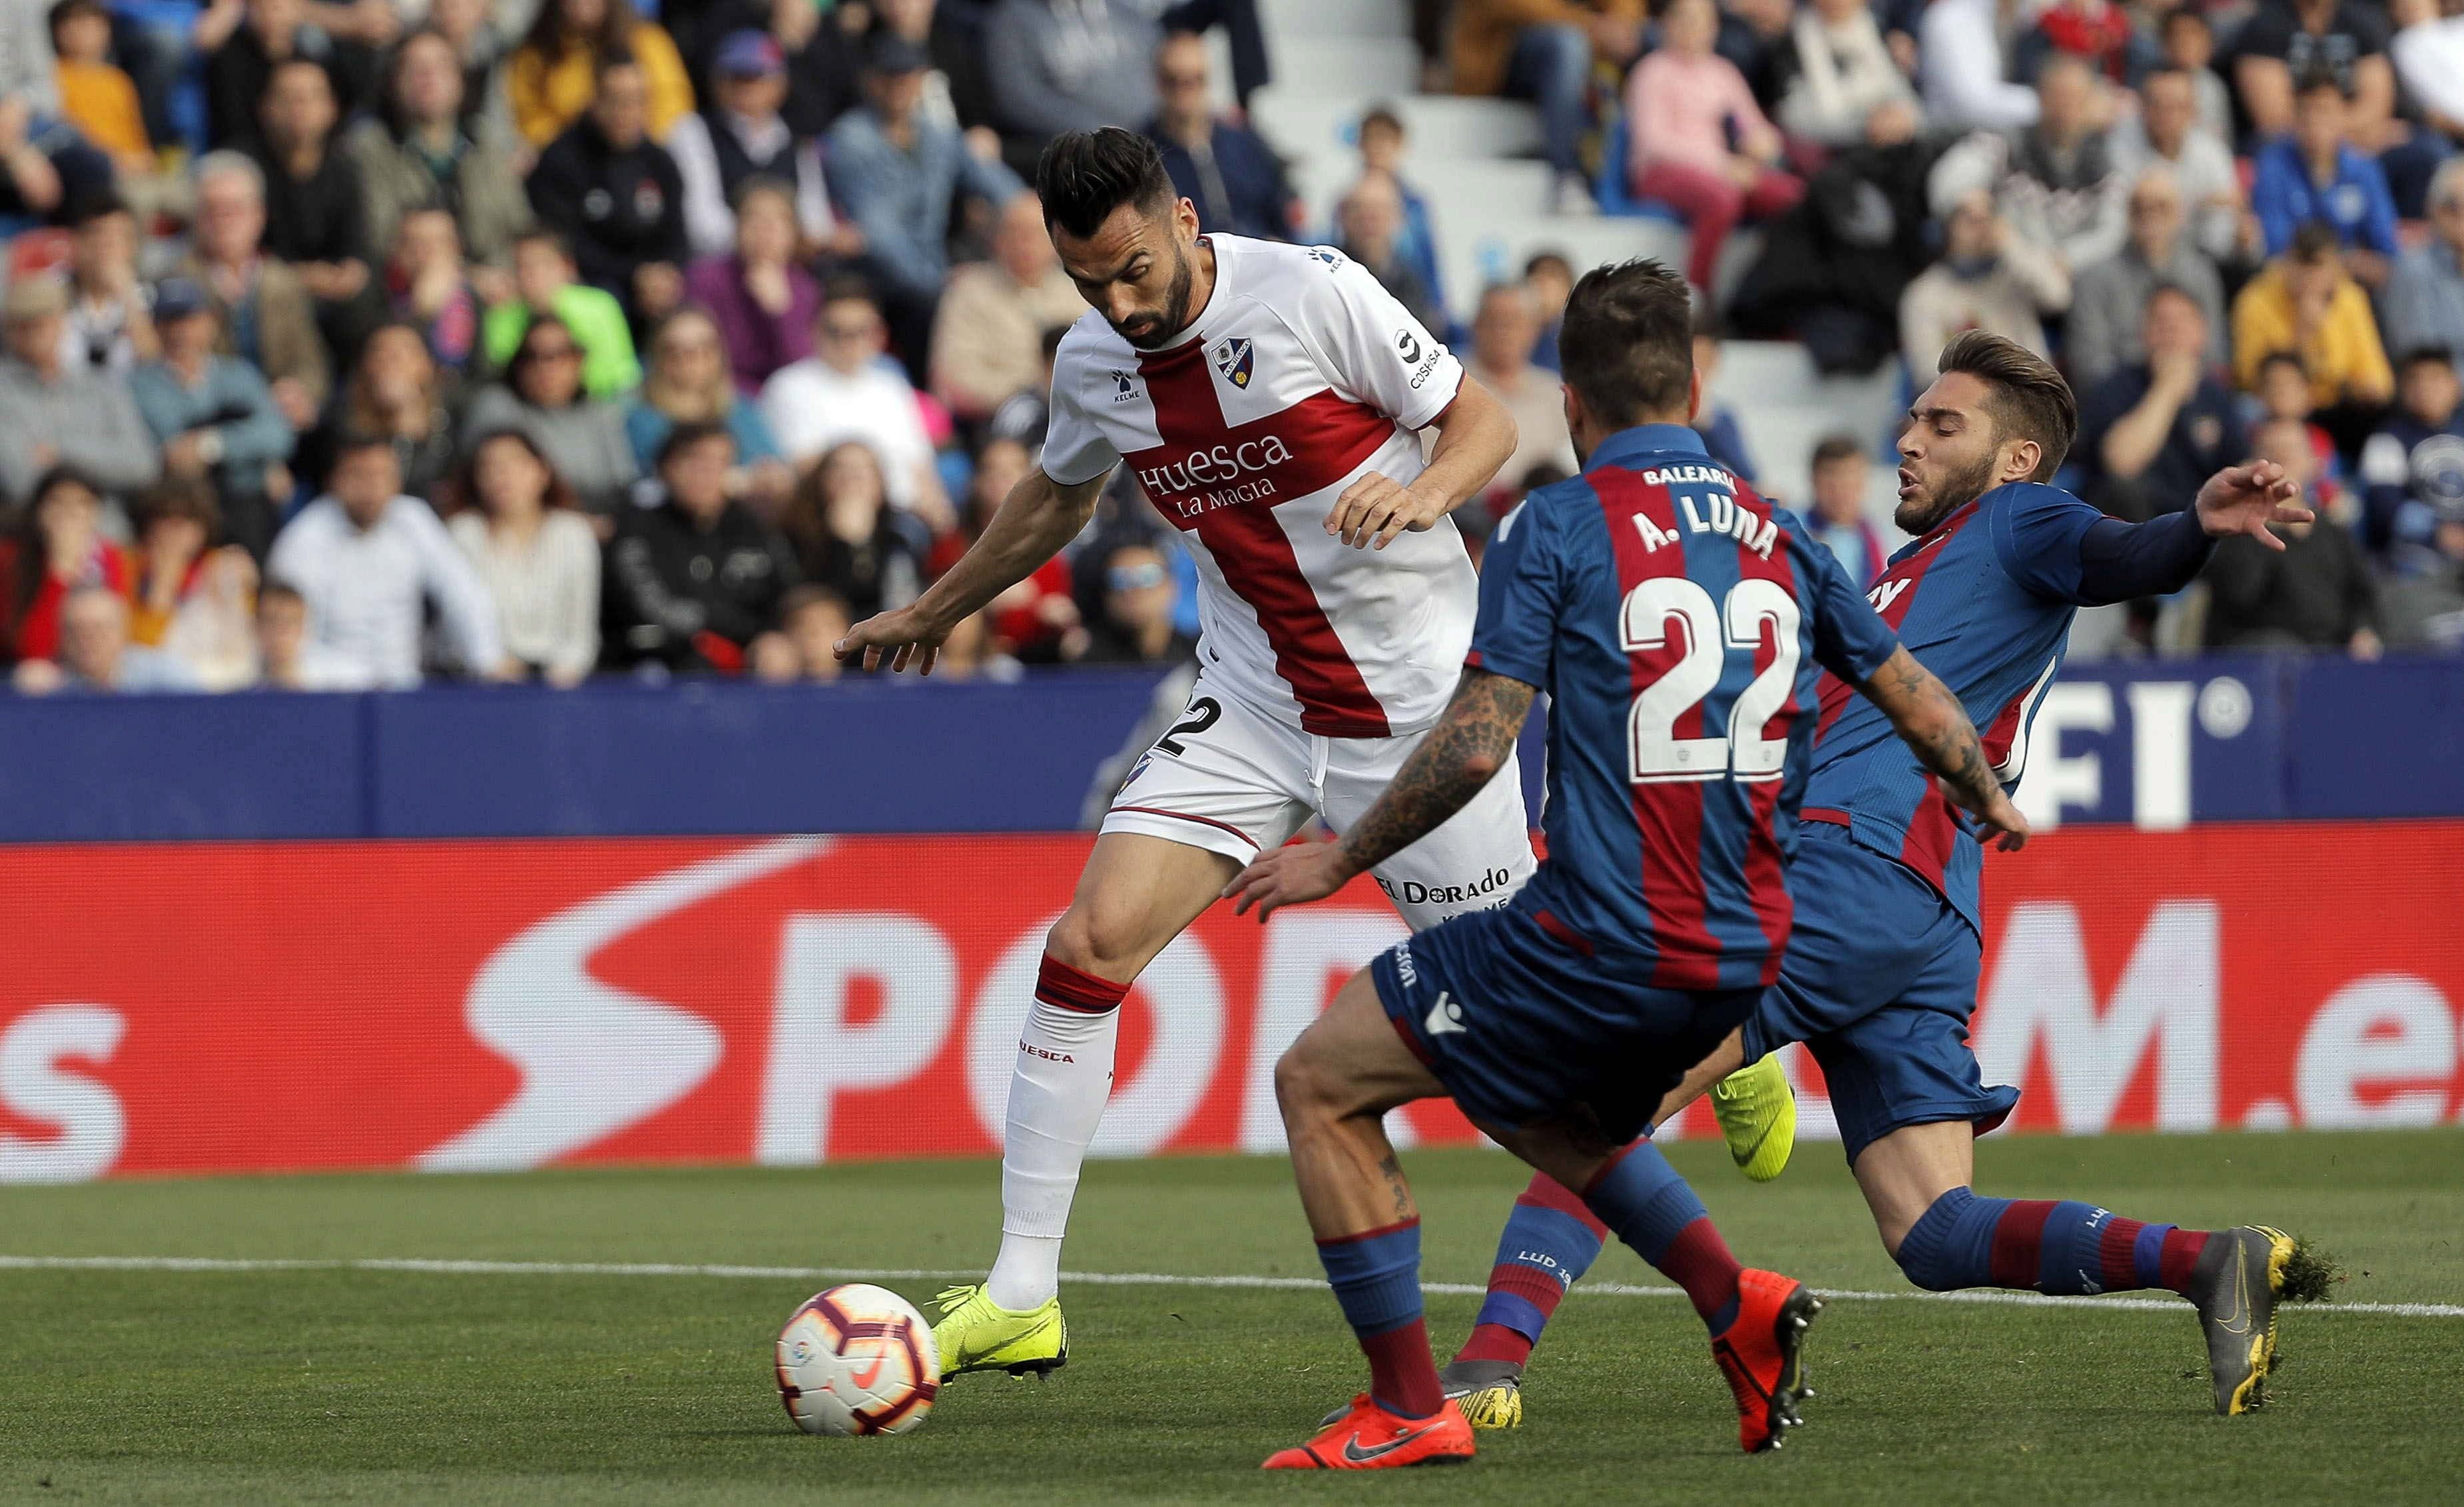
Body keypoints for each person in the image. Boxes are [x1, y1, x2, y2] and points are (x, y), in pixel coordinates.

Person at [1424, 332, 2327, 1432]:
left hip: (1850, 871)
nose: (1907, 439)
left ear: (2013, 458)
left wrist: (2194, 526)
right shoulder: (1908, 571)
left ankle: (1482, 1368)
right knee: (1935, 1231)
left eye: (1942, 426)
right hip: (1925, 909)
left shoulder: (2018, 519)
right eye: (1911, 418)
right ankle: (2208, 1261)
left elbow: (2125, 556)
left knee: (1597, 1100)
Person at [1221, 261, 2025, 1468]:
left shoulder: (1553, 524)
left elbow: (1478, 739)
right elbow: (1919, 699)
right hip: (1748, 953)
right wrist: (1984, 791)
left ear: (1571, 402)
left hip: (1596, 935)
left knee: (1320, 1079)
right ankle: (1735, 1302)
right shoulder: (1781, 531)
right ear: (1698, 385)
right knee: (1534, 1106)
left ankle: (1406, 1405)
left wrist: (1340, 853)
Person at [835, 128, 1528, 1384]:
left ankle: (1730, 1044)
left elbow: (1488, 422)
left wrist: (1429, 497)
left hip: (1419, 713)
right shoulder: (1095, 361)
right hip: (1258, 708)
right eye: (1088, 280)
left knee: (1537, 1057)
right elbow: (1058, 496)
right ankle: (1023, 1290)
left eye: (1134, 270)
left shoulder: (1311, 290)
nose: (1118, 303)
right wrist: (935, 609)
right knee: (1086, 946)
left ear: (1188, 220)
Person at [266, 431, 510, 687]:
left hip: (405, 687)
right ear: (335, 480)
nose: (370, 487)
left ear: (396, 481)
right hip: (329, 689)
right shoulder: (303, 540)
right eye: (359, 475)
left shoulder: (414, 520)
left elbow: (462, 592)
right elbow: (291, 639)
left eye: (381, 475)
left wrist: (489, 659)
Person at [826, 35, 1024, 342]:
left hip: (936, 266)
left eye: (907, 75)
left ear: (921, 79)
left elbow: (991, 180)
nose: (898, 85)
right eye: (888, 75)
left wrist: (1028, 213)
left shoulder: (936, 133)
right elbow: (879, 234)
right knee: (942, 307)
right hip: (880, 277)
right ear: (871, 80)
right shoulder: (851, 139)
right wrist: (940, 283)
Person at [1625, 0, 1801, 294]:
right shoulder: (1651, 72)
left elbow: (1756, 126)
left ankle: (1765, 295)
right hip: (1661, 173)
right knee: (1722, 198)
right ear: (1667, 24)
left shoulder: (1722, 72)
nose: (1694, 29)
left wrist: (1763, 144)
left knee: (1793, 197)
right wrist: (1723, 165)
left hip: (1723, 171)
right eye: (1686, 19)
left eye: (1703, 21)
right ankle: (1696, 294)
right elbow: (1655, 142)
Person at [601, 420, 800, 674]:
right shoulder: (636, 526)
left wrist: (771, 637)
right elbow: (650, 605)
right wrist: (728, 632)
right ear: (665, 468)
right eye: (694, 461)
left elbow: (789, 595)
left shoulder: (753, 528)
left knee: (781, 655)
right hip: (659, 657)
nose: (706, 473)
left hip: (747, 654)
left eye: (720, 463)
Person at [128, 277, 297, 561]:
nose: (180, 332)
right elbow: (169, 450)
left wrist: (211, 444)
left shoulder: (238, 375)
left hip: (242, 500)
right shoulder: (139, 385)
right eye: (170, 322)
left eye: (190, 320)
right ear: (156, 328)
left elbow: (278, 435)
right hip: (179, 507)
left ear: (211, 323)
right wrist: (247, 445)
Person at [759, 279, 949, 523]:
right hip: (830, 514)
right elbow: (805, 468)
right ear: (815, 331)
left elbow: (920, 465)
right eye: (836, 331)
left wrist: (936, 510)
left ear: (878, 335)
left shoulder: (892, 387)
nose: (848, 342)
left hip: (904, 513)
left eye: (860, 331)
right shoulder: (788, 386)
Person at [346, 27, 532, 275]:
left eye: (442, 67)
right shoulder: (366, 150)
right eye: (415, 69)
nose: (429, 77)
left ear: (460, 79)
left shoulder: (486, 144)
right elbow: (379, 240)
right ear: (392, 83)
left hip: (496, 284)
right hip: (402, 289)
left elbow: (521, 230)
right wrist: (466, 279)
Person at [526, 52, 690, 326]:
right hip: (594, 282)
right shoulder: (561, 160)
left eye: (639, 100)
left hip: (653, 286)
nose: (628, 112)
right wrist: (635, 274)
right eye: (618, 101)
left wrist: (663, 274)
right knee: (606, 299)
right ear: (595, 101)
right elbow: (565, 244)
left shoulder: (660, 162)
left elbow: (676, 238)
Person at [1929, 55, 2126, 278]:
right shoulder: (2005, 144)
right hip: (2004, 273)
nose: (2065, 107)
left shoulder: (2108, 165)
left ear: (2091, 103)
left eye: (2075, 98)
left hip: (2073, 281)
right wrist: (1967, 199)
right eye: (2058, 96)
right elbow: (1948, 180)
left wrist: (2065, 259)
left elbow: (2113, 234)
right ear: (2040, 97)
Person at [179, 150, 330, 430]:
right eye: (212, 210)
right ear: (196, 218)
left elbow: (309, 360)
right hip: (208, 422)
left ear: (259, 215)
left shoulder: (283, 282)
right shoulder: (176, 282)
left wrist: (300, 392)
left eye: (235, 209)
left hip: (283, 420)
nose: (224, 221)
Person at [2205, 418, 2382, 657]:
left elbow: (2363, 594)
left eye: (2291, 451)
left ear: (2316, 464)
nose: (2282, 459)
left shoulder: (2333, 532)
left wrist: (2363, 631)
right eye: (2271, 453)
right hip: (2262, 657)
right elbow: (2237, 596)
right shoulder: (2236, 529)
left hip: (2332, 656)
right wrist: (2257, 519)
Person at [667, 29, 845, 262]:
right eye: (736, 76)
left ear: (780, 84)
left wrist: (788, 245)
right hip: (722, 267)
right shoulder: (693, 131)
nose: (746, 86)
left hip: (792, 268)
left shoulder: (797, 141)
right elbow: (702, 226)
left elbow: (817, 222)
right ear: (717, 82)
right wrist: (769, 246)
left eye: (756, 76)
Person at [446, 427, 601, 685]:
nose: (502, 476)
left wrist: (560, 675)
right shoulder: (463, 533)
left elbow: (582, 630)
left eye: (515, 463)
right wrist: (489, 663)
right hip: (480, 680)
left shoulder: (573, 533)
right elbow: (454, 622)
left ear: (543, 472)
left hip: (558, 681)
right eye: (489, 467)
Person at [1450, 0, 1641, 208]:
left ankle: (1638, 178)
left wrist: (1621, 24)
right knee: (1567, 45)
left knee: (1650, 38)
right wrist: (1591, 27)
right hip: (1502, 53)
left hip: (1585, 40)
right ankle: (1567, 175)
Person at [2077, 283, 2241, 521]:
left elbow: (2239, 461)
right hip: (2128, 528)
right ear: (2144, 332)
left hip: (2196, 525)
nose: (2171, 330)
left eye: (2182, 320)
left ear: (2202, 333)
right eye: (2160, 321)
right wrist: (2167, 390)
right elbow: (2121, 464)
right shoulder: (2113, 388)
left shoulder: (2216, 395)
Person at [0, 279, 162, 513]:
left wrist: (63, 452)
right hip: (37, 532)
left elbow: (143, 466)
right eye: (25, 324)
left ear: (62, 323)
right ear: (10, 331)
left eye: (44, 321)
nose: (36, 331)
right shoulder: (4, 392)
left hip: (109, 532)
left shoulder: (100, 386)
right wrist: (102, 463)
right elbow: (22, 480)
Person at [463, 313, 642, 519]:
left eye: (558, 355)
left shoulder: (601, 414)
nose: (545, 367)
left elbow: (625, 485)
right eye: (532, 356)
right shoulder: (498, 407)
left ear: (579, 361)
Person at [930, 190, 1085, 426]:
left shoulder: (1078, 293)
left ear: (1055, 241)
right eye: (1014, 232)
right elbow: (954, 381)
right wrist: (1033, 391)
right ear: (998, 239)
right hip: (995, 424)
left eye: (1034, 234)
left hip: (1074, 417)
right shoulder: (968, 291)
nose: (1024, 244)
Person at [2065, 168, 2227, 390]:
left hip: (2190, 393)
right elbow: (2089, 367)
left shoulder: (2201, 273)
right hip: (2118, 401)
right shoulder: (2092, 279)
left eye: (2162, 207)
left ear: (2181, 215)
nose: (2150, 215)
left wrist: (2176, 381)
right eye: (2140, 207)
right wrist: (2151, 378)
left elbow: (2215, 353)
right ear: (2128, 214)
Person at [623, 304, 793, 505]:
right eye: (676, 350)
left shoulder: (740, 409)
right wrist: (736, 481)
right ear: (657, 355)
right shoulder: (639, 417)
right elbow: (656, 484)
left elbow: (775, 467)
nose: (693, 358)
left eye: (706, 347)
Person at [248, 56, 374, 317]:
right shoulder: (243, 169)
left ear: (332, 108)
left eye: (312, 97)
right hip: (261, 296)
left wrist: (352, 272)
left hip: (336, 294)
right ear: (265, 107)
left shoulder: (347, 167)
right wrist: (302, 278)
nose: (300, 107)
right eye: (288, 97)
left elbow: (357, 246)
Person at [2230, 222, 2394, 421]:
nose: (2308, 277)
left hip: (2338, 403)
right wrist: (2302, 334)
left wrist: (2364, 388)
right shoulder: (2255, 300)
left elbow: (2377, 376)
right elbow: (2250, 378)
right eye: (2301, 265)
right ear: (2287, 262)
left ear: (2335, 267)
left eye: (2317, 266)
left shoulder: (2351, 298)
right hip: (2281, 407)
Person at [1145, 31, 1294, 244]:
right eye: (1173, 80)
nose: (1184, 91)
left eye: (1195, 80)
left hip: (1254, 261)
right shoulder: (1143, 157)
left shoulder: (1246, 144)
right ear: (1158, 82)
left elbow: (1282, 217)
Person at [2251, 71, 2399, 285]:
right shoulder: (2273, 165)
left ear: (2343, 114)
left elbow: (2387, 249)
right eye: (2305, 111)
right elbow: (2274, 246)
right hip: (2291, 283)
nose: (2314, 121)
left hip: (2353, 285)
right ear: (2293, 116)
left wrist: (2347, 266)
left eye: (2324, 110)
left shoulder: (2364, 169)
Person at [1899, 190, 2070, 374]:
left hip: (2034, 389)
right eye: (1970, 219)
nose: (1982, 227)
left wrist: (2011, 245)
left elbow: (2059, 298)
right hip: (1969, 398)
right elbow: (1927, 372)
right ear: (1947, 228)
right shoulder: (1923, 295)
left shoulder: (2016, 268)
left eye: (1988, 216)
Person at [683, 176, 820, 394]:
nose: (764, 231)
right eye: (753, 219)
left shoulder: (805, 289)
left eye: (777, 222)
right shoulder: (705, 278)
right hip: (721, 393)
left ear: (793, 235)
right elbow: (695, 355)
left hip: (784, 396)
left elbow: (804, 372)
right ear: (737, 227)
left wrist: (781, 313)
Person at [983, 0, 1162, 164]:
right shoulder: (1012, 19)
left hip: (1151, 140)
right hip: (1076, 153)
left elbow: (1163, 70)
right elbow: (1019, 100)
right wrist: (1102, 131)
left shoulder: (1128, 13)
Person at [124, 476, 258, 689]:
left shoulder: (224, 566)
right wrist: (161, 590)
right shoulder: (127, 566)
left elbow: (242, 650)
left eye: (188, 518)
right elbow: (137, 660)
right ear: (148, 524)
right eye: (166, 516)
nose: (176, 528)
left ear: (203, 526)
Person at [2110, 65, 2249, 268]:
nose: (2166, 115)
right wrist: (2198, 204)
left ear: (2192, 111)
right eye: (2157, 105)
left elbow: (2225, 221)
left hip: (2201, 260)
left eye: (2176, 106)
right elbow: (2121, 219)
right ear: (2142, 107)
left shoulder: (2212, 152)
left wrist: (2239, 235)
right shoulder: (2119, 146)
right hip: (2134, 260)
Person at [302, 321, 456, 501]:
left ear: (426, 366)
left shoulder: (449, 421)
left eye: (402, 354)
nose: (390, 363)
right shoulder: (338, 424)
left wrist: (409, 421)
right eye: (380, 353)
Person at [506, 0, 693, 149]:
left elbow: (674, 103)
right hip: (570, 163)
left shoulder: (645, 40)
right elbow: (530, 117)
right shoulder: (539, 51)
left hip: (640, 157)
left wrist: (635, 144)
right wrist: (569, 149)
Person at [482, 228, 642, 400]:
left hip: (598, 405)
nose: (534, 275)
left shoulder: (600, 307)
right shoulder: (499, 318)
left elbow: (621, 375)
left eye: (544, 265)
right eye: (523, 266)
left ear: (568, 267)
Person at [779, 440, 932, 619]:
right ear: (821, 481)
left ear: (880, 484)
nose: (851, 480)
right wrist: (844, 546)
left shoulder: (903, 530)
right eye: (840, 470)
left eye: (862, 471)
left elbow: (899, 601)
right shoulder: (797, 532)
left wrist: (861, 545)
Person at [0, 466, 132, 666]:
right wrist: (59, 571)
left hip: (93, 668)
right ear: (39, 509)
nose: (70, 513)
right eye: (58, 502)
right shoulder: (10, 557)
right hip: (29, 671)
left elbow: (115, 635)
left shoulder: (110, 556)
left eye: (82, 503)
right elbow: (32, 651)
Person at [1466, 282, 1575, 493]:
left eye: (1514, 322)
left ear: (1533, 330)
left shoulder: (1555, 393)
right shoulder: (1450, 387)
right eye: (1494, 321)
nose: (1503, 331)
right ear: (1477, 325)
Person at [2360, 346, 2464, 555]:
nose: (2424, 388)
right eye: (2414, 380)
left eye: (2435, 379)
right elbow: (2385, 507)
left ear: (2456, 386)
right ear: (2402, 390)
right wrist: (2438, 531)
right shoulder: (2386, 439)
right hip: (2419, 557)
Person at [1778, 0, 1923, 149]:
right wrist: (1866, 127)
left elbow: (1904, 93)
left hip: (1897, 137)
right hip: (1838, 150)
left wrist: (1903, 117)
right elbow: (1793, 119)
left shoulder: (1878, 28)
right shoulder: (1793, 43)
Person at [11, 584, 206, 694]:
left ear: (123, 633)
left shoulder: (165, 675)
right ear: (61, 637)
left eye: (100, 629)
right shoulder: (50, 685)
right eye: (76, 630)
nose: (87, 639)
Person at [1353, 107, 1444, 319]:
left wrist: (1436, 308)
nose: (1377, 149)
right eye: (1371, 140)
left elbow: (1428, 262)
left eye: (1384, 140)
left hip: (1409, 304)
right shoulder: (1346, 201)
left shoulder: (1415, 206)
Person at [1333, 171, 1443, 338]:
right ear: (1343, 217)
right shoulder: (1328, 275)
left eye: (1378, 214)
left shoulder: (1413, 283)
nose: (1369, 223)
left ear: (1397, 219)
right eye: (1360, 213)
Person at [58, 194, 158, 378]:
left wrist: (128, 297)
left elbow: (155, 367)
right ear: (76, 242)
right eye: (97, 233)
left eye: (119, 236)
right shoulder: (53, 293)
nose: (107, 245)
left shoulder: (152, 297)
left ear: (133, 246)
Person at [2382, 158, 2464, 362]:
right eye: (2452, 206)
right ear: (2432, 209)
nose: (2462, 215)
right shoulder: (2413, 271)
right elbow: (2420, 363)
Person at [1078, 541, 1193, 663]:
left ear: (1172, 586)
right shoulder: (1089, 662)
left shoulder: (1200, 656)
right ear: (1106, 595)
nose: (1133, 591)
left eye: (1148, 577)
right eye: (1119, 580)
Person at [252, 577, 370, 689]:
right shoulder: (241, 682)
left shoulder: (345, 681)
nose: (281, 631)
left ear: (304, 627)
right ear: (256, 627)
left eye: (290, 621)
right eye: (271, 621)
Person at [1805, 434, 1886, 582]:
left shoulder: (1880, 538)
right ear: (1814, 481)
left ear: (1863, 482)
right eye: (1831, 486)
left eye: (1848, 485)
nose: (1840, 493)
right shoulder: (1795, 531)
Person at [1689, 309, 1756, 481]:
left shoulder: (1722, 417)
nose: (1697, 366)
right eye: (1692, 357)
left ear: (1715, 361)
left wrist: (1709, 424)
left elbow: (1747, 473)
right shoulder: (1662, 411)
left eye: (1704, 358)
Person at [751, 583, 856, 683]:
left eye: (827, 625)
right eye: (802, 626)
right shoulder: (774, 684)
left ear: (847, 630)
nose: (815, 634)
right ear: (785, 633)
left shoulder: (862, 686)